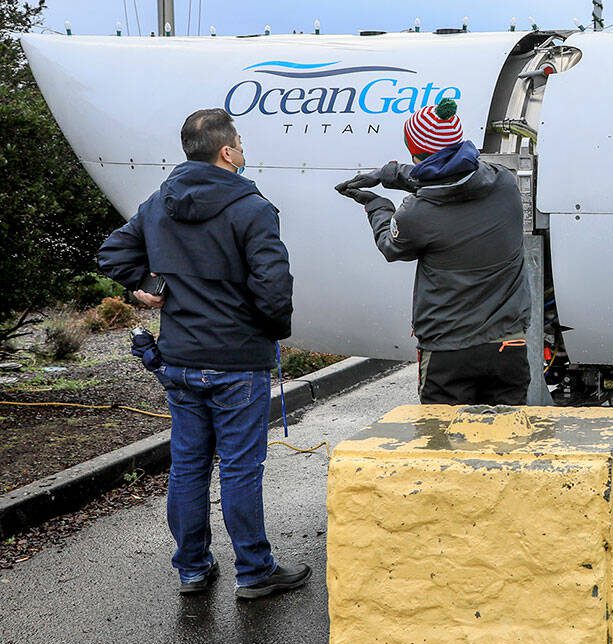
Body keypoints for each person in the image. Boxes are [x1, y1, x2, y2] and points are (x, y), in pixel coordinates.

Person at [98, 108, 308, 599]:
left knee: (189, 466)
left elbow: (114, 253)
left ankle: (192, 569)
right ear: (227, 151)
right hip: (237, 362)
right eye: (239, 139)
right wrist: (272, 331)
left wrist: (143, 283)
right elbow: (274, 288)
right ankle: (254, 572)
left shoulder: (159, 204)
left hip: (179, 360)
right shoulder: (253, 208)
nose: (242, 146)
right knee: (239, 467)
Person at [335, 99, 531, 404]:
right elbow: (450, 176)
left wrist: (376, 204)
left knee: (442, 444)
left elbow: (391, 245)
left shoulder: (418, 214)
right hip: (507, 345)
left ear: (416, 155)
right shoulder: (504, 184)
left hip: (447, 351)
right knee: (507, 442)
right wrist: (391, 173)